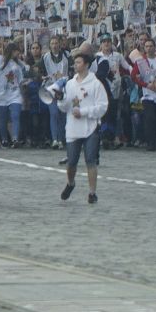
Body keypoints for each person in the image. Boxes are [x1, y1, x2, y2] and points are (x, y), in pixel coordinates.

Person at [60, 50, 108, 204]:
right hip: (73, 128)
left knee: (90, 160)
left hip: (90, 127)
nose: (76, 65)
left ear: (86, 65)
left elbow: (102, 106)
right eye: (75, 62)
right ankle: (70, 183)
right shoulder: (69, 84)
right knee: (72, 162)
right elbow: (65, 106)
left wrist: (84, 112)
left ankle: (92, 192)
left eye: (79, 62)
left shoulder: (95, 84)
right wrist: (60, 100)